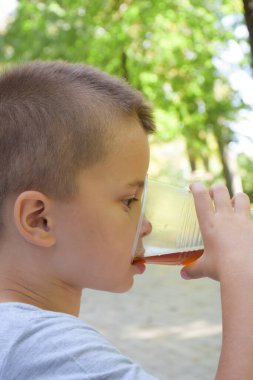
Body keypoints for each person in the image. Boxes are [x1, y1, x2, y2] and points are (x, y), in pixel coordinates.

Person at [0, 61, 252, 380]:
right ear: (40, 219)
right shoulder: (48, 350)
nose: (146, 225)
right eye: (129, 200)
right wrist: (243, 277)